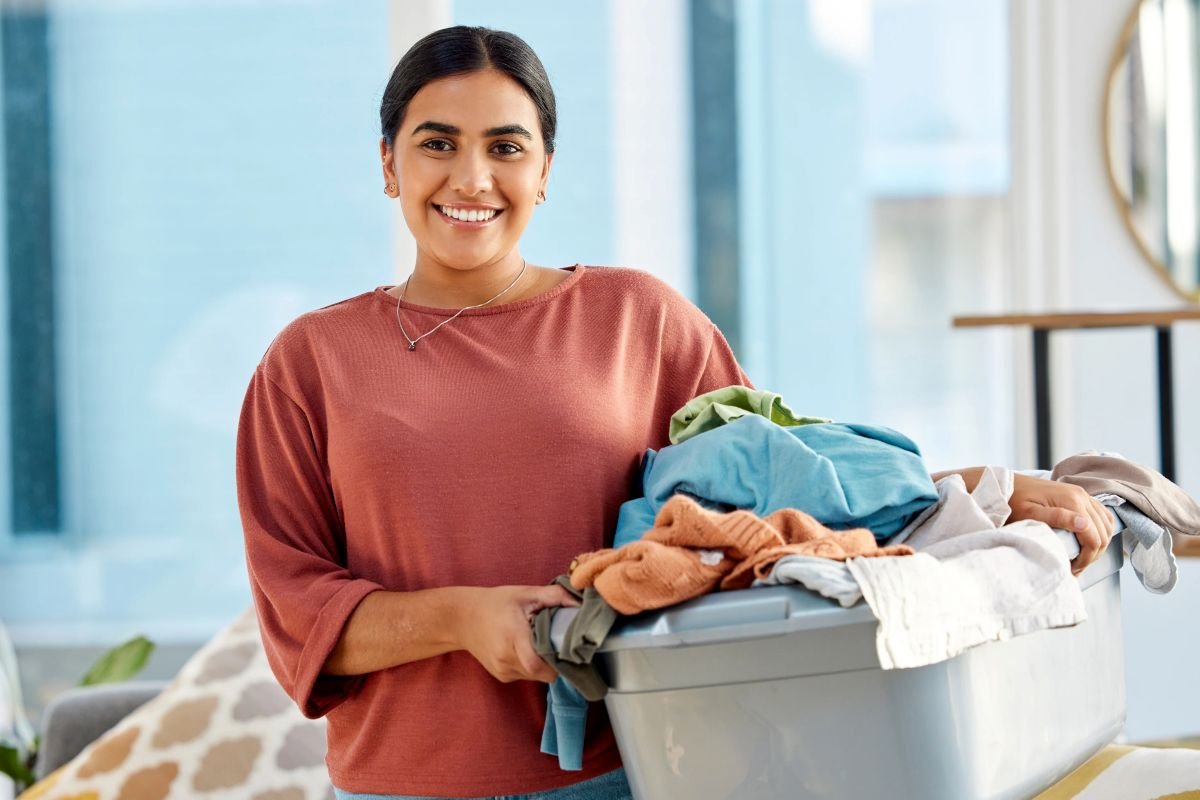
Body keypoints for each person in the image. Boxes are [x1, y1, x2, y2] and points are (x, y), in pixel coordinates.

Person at [236, 25, 1114, 800]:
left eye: (506, 146)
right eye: (438, 143)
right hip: (400, 792)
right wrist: (463, 618)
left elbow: (783, 495)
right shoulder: (309, 363)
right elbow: (298, 613)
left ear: (544, 173)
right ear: (389, 163)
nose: (473, 176)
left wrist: (979, 492)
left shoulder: (637, 319)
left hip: (640, 771)